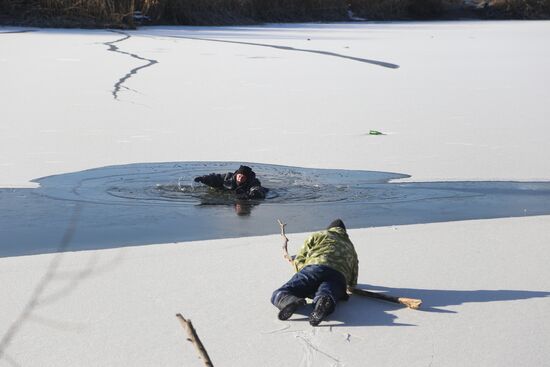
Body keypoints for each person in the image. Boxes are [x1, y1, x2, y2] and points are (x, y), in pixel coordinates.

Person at [271, 219, 358, 326]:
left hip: (315, 267)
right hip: (338, 275)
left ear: (329, 228)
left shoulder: (319, 235)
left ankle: (289, 300)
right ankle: (324, 301)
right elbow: (354, 272)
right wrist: (350, 285)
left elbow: (301, 257)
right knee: (328, 290)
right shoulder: (350, 245)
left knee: (280, 293)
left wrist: (301, 270)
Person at [193, 165, 268, 200]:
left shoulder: (253, 182)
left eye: (243, 177)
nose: (240, 178)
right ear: (236, 175)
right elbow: (215, 178)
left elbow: (257, 188)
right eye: (239, 176)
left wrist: (253, 194)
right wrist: (203, 179)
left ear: (247, 178)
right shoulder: (228, 177)